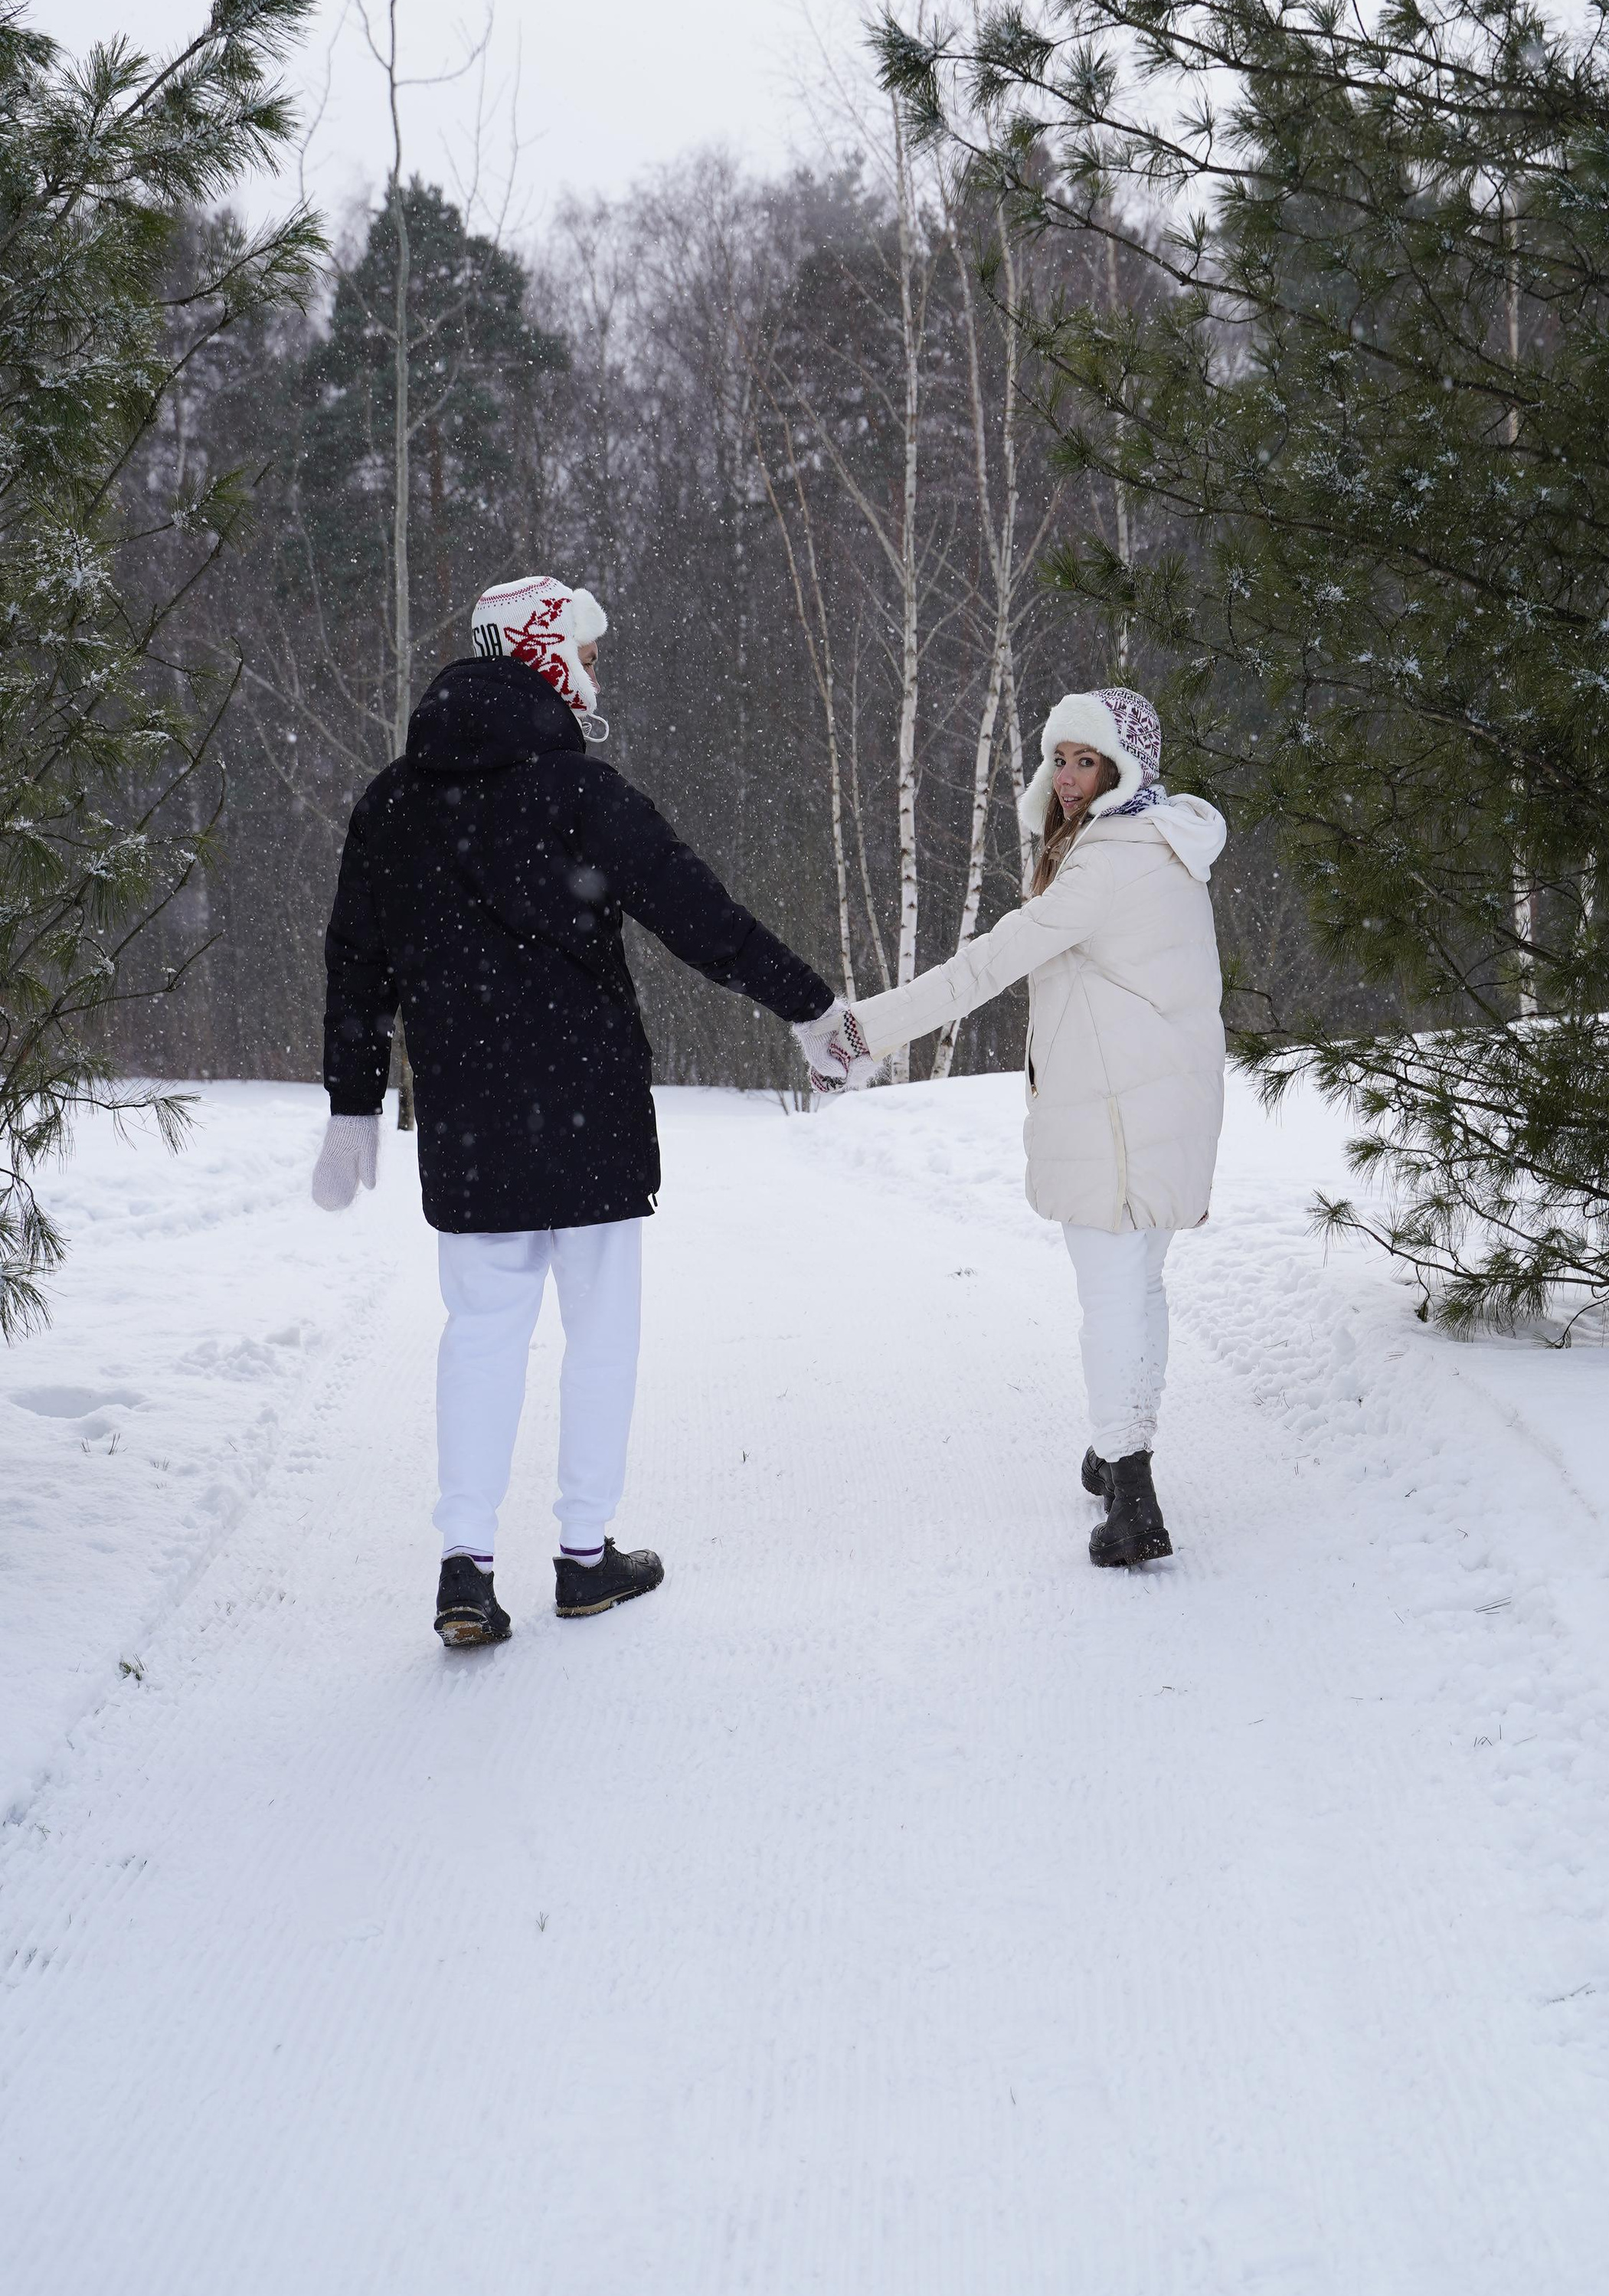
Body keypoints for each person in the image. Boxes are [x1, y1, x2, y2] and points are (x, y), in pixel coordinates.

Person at [311, 571, 850, 1649]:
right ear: (543, 654)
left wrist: (354, 1101)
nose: (594, 677)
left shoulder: (394, 799)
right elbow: (696, 912)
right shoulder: (576, 790)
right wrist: (808, 1004)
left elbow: (357, 958)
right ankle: (585, 1557)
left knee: (480, 1336)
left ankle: (466, 1569)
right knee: (600, 1334)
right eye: (588, 657)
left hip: (468, 1116)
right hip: (586, 1106)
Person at [812, 686, 1226, 1568]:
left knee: (1112, 1300)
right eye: (1059, 759)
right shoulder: (1170, 847)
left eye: (1087, 761)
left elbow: (984, 966)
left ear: (1124, 770)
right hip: (1166, 1106)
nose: (1067, 779)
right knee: (1139, 1289)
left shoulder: (1106, 864)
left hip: (1116, 1115)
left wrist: (861, 1033)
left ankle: (1132, 1495)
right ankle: (1118, 1451)